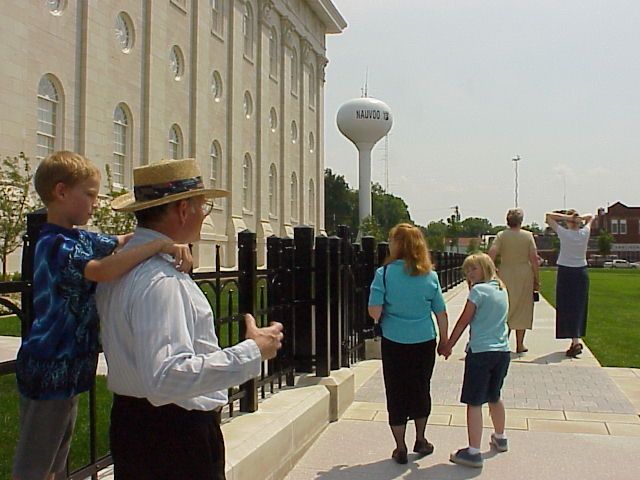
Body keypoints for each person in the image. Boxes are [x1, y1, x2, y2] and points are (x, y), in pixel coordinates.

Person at [95, 158, 284, 480]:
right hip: (175, 438)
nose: (205, 215)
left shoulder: (119, 267)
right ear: (184, 210)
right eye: (203, 206)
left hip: (134, 426)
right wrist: (252, 351)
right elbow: (167, 378)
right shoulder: (160, 280)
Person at [13, 151, 192, 480]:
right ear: (61, 191)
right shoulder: (53, 243)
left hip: (69, 369)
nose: (96, 204)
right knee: (35, 465)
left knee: (57, 459)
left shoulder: (79, 238)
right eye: (90, 195)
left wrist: (157, 240)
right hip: (49, 367)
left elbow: (121, 241)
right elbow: (101, 270)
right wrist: (158, 246)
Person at [367, 223, 449, 465]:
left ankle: (400, 446)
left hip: (394, 341)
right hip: (424, 340)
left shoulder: (384, 274)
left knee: (396, 391)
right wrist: (445, 341)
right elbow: (441, 313)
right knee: (421, 388)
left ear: (396, 245)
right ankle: (421, 438)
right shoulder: (430, 276)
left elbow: (374, 311)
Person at [442, 253, 510, 469]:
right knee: (494, 395)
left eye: (474, 269)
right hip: (502, 351)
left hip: (480, 352)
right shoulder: (501, 289)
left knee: (474, 402)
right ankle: (500, 436)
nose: (469, 274)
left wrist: (448, 345)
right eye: (467, 270)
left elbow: (463, 321)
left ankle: (473, 451)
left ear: (485, 268)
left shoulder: (478, 292)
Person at [488, 208, 539, 353]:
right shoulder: (528, 236)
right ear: (521, 221)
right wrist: (537, 278)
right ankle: (520, 344)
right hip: (524, 273)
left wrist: (492, 270)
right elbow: (534, 259)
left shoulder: (501, 235)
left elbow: (491, 253)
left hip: (505, 272)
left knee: (505, 307)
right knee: (523, 308)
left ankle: (503, 341)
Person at [545, 209, 593, 357]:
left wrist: (567, 217)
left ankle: (574, 340)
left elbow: (548, 217)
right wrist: (579, 218)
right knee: (579, 307)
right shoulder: (584, 233)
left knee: (565, 305)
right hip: (581, 272)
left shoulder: (564, 233)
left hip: (565, 271)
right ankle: (575, 339)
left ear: (568, 222)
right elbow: (591, 217)